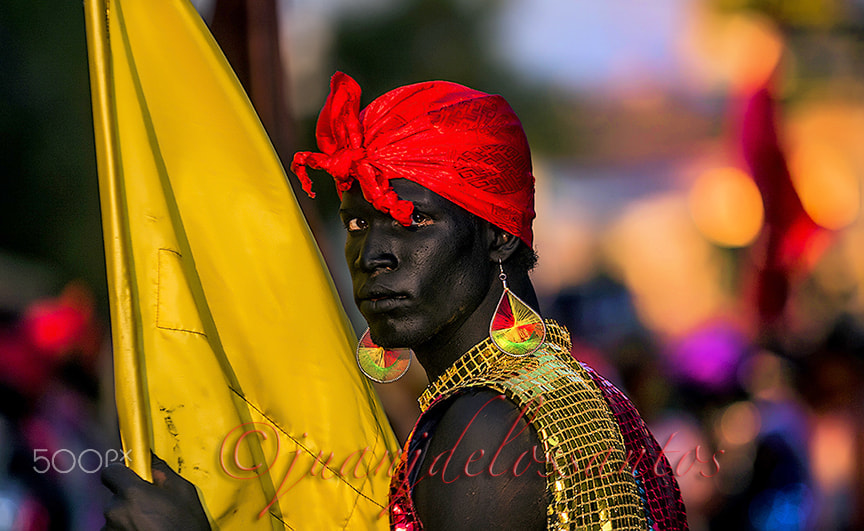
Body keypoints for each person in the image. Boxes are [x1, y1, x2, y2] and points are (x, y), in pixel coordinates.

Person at [102, 72, 687, 530]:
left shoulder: (484, 427)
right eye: (358, 222)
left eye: (414, 220)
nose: (374, 253)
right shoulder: (563, 387)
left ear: (498, 233)